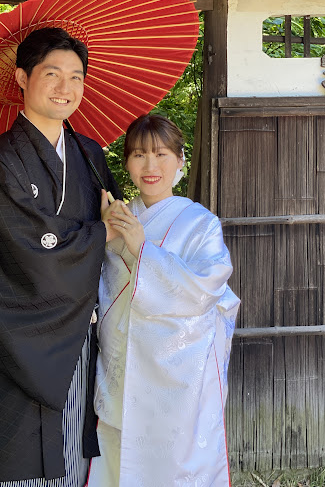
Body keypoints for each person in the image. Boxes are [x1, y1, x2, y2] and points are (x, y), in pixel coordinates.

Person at [0, 27, 120, 487]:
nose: (64, 87)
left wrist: (113, 226)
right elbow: (25, 250)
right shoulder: (0, 162)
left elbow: (110, 235)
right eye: (51, 73)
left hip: (78, 331)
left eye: (76, 76)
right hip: (16, 333)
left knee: (72, 448)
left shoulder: (89, 155)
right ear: (21, 78)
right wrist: (98, 235)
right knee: (19, 461)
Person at [88, 114, 240, 487]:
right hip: (121, 363)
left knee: (172, 466)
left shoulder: (201, 224)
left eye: (161, 154)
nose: (151, 166)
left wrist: (143, 249)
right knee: (119, 456)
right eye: (139, 155)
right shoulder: (118, 218)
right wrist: (106, 233)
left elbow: (205, 290)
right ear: (126, 163)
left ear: (180, 160)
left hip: (177, 373)